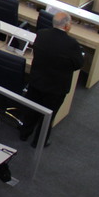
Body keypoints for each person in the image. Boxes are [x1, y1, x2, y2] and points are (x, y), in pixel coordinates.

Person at [19, 11, 83, 147]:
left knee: (31, 111)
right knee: (48, 116)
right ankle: (38, 142)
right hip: (56, 88)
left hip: (36, 81)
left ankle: (24, 133)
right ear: (67, 26)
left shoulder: (41, 34)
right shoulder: (72, 44)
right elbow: (78, 64)